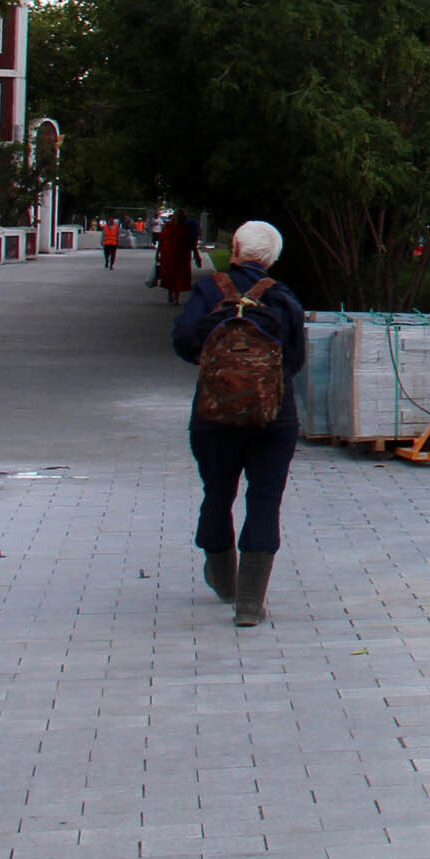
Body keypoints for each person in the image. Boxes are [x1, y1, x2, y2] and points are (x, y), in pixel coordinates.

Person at [172, 220, 304, 627]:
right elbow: (295, 359)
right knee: (265, 499)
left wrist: (220, 366)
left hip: (213, 415)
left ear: (235, 250)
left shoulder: (209, 291)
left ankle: (222, 576)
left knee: (217, 493)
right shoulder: (282, 297)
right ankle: (249, 601)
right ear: (273, 258)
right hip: (273, 417)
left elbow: (183, 341)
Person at [154, 210, 197, 305]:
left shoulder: (186, 228)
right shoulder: (168, 226)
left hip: (182, 257)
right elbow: (161, 240)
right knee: (170, 276)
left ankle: (176, 297)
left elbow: (191, 242)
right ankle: (170, 293)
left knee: (179, 277)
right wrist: (157, 254)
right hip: (169, 256)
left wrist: (196, 254)